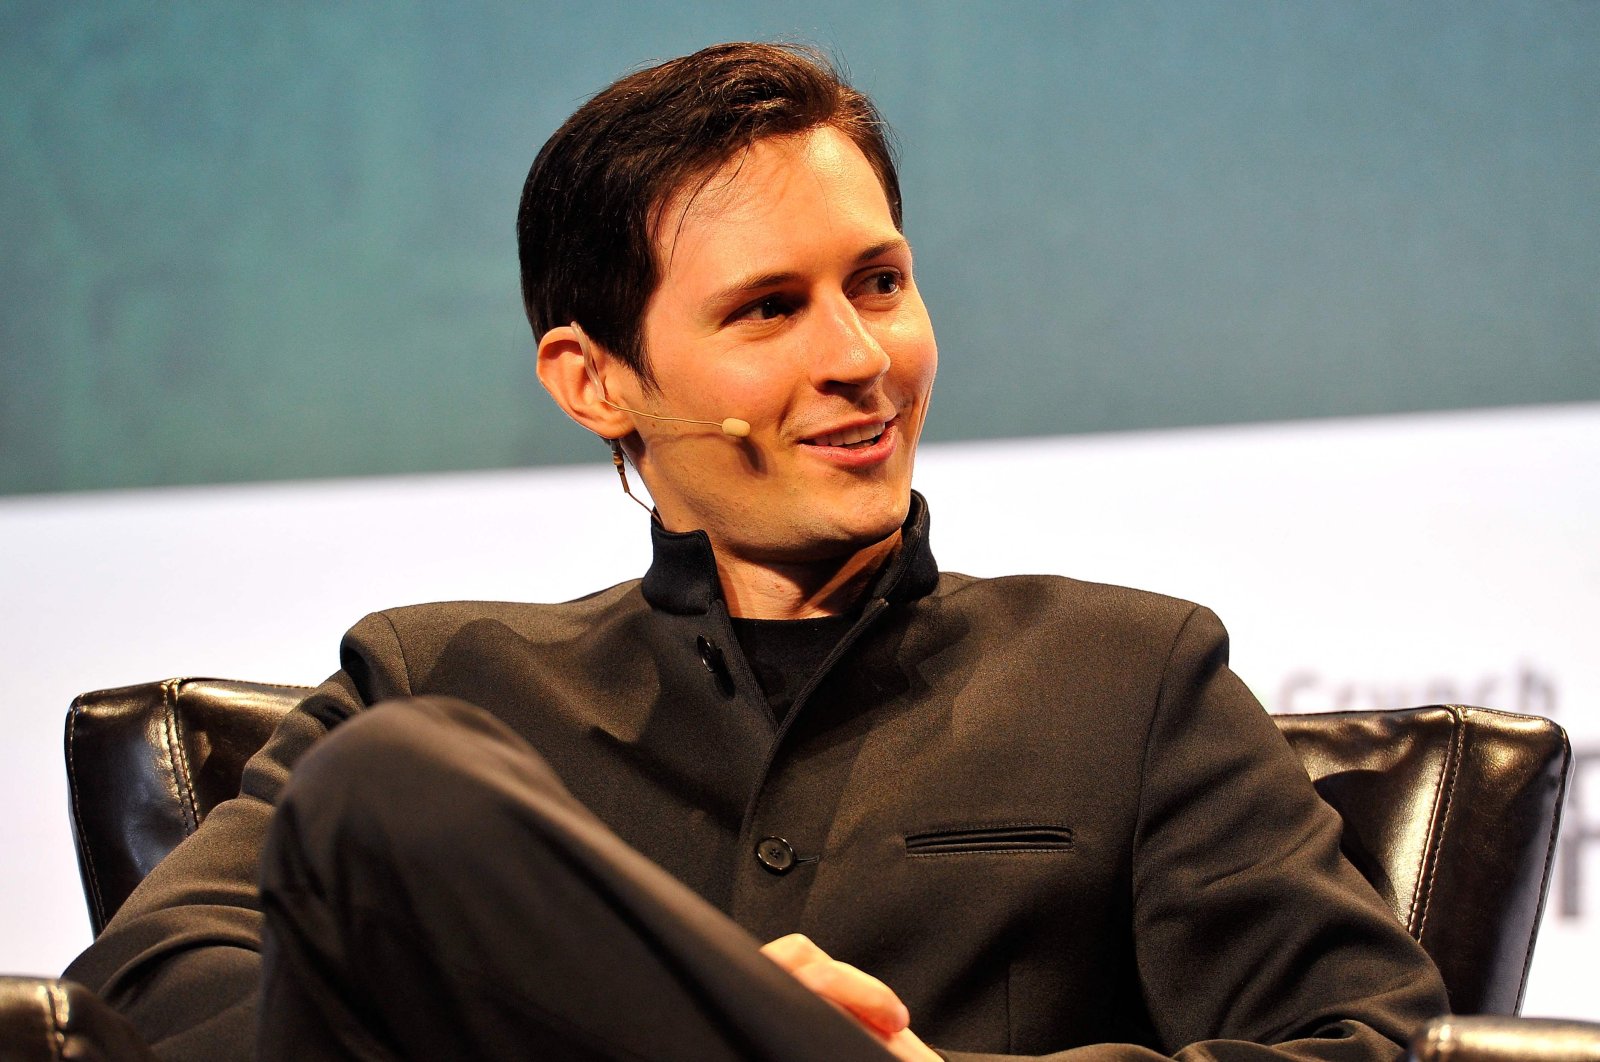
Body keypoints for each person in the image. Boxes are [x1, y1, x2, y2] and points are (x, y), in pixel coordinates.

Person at [65, 42, 1447, 1061]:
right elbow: (152, 987)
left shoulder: (1129, 674)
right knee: (389, 787)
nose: (861, 360)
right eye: (770, 309)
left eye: (881, 284)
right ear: (594, 379)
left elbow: (1370, 1040)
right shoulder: (440, 679)